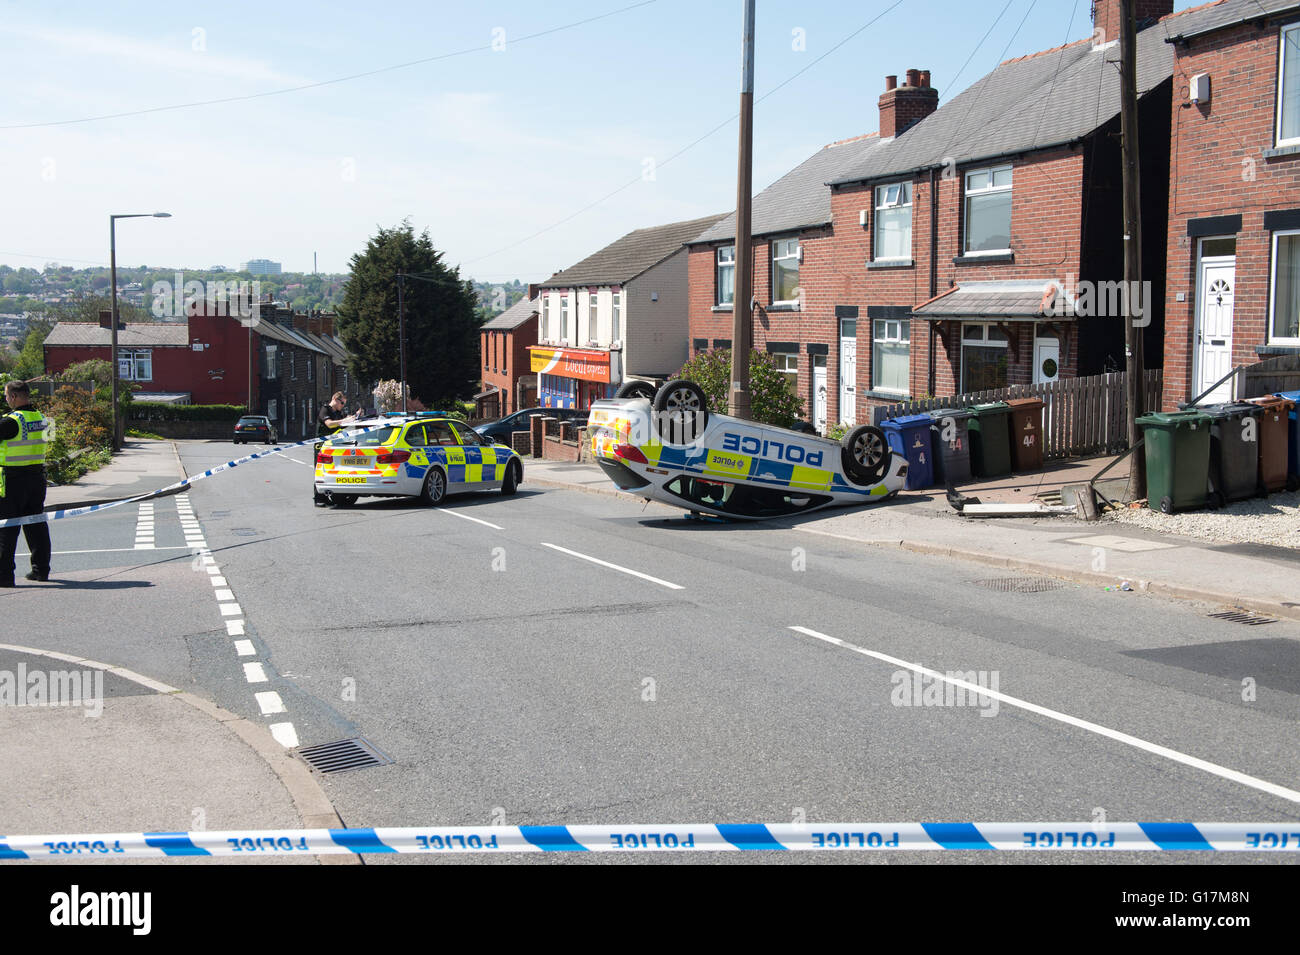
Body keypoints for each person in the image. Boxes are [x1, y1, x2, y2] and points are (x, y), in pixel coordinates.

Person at [0, 380, 52, 587]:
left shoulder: (11, 421)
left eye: (6, 396)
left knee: (7, 528)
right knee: (36, 525)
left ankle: (4, 576)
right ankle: (41, 571)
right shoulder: (43, 418)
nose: (6, 399)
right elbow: (48, 441)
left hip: (13, 481)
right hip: (37, 478)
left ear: (13, 396)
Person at [314, 392, 360, 506]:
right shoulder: (325, 410)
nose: (343, 405)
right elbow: (329, 424)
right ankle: (319, 498)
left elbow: (340, 426)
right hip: (322, 445)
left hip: (334, 445)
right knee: (320, 470)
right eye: (342, 402)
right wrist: (344, 421)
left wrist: (353, 418)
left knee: (333, 470)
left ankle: (332, 496)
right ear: (335, 399)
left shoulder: (338, 413)